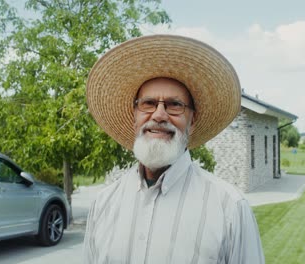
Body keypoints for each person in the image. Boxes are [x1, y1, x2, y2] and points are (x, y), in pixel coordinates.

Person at [84, 34, 265, 264]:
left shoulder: (230, 208)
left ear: (192, 120)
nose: (159, 115)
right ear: (134, 116)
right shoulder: (103, 204)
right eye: (148, 104)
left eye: (174, 105)